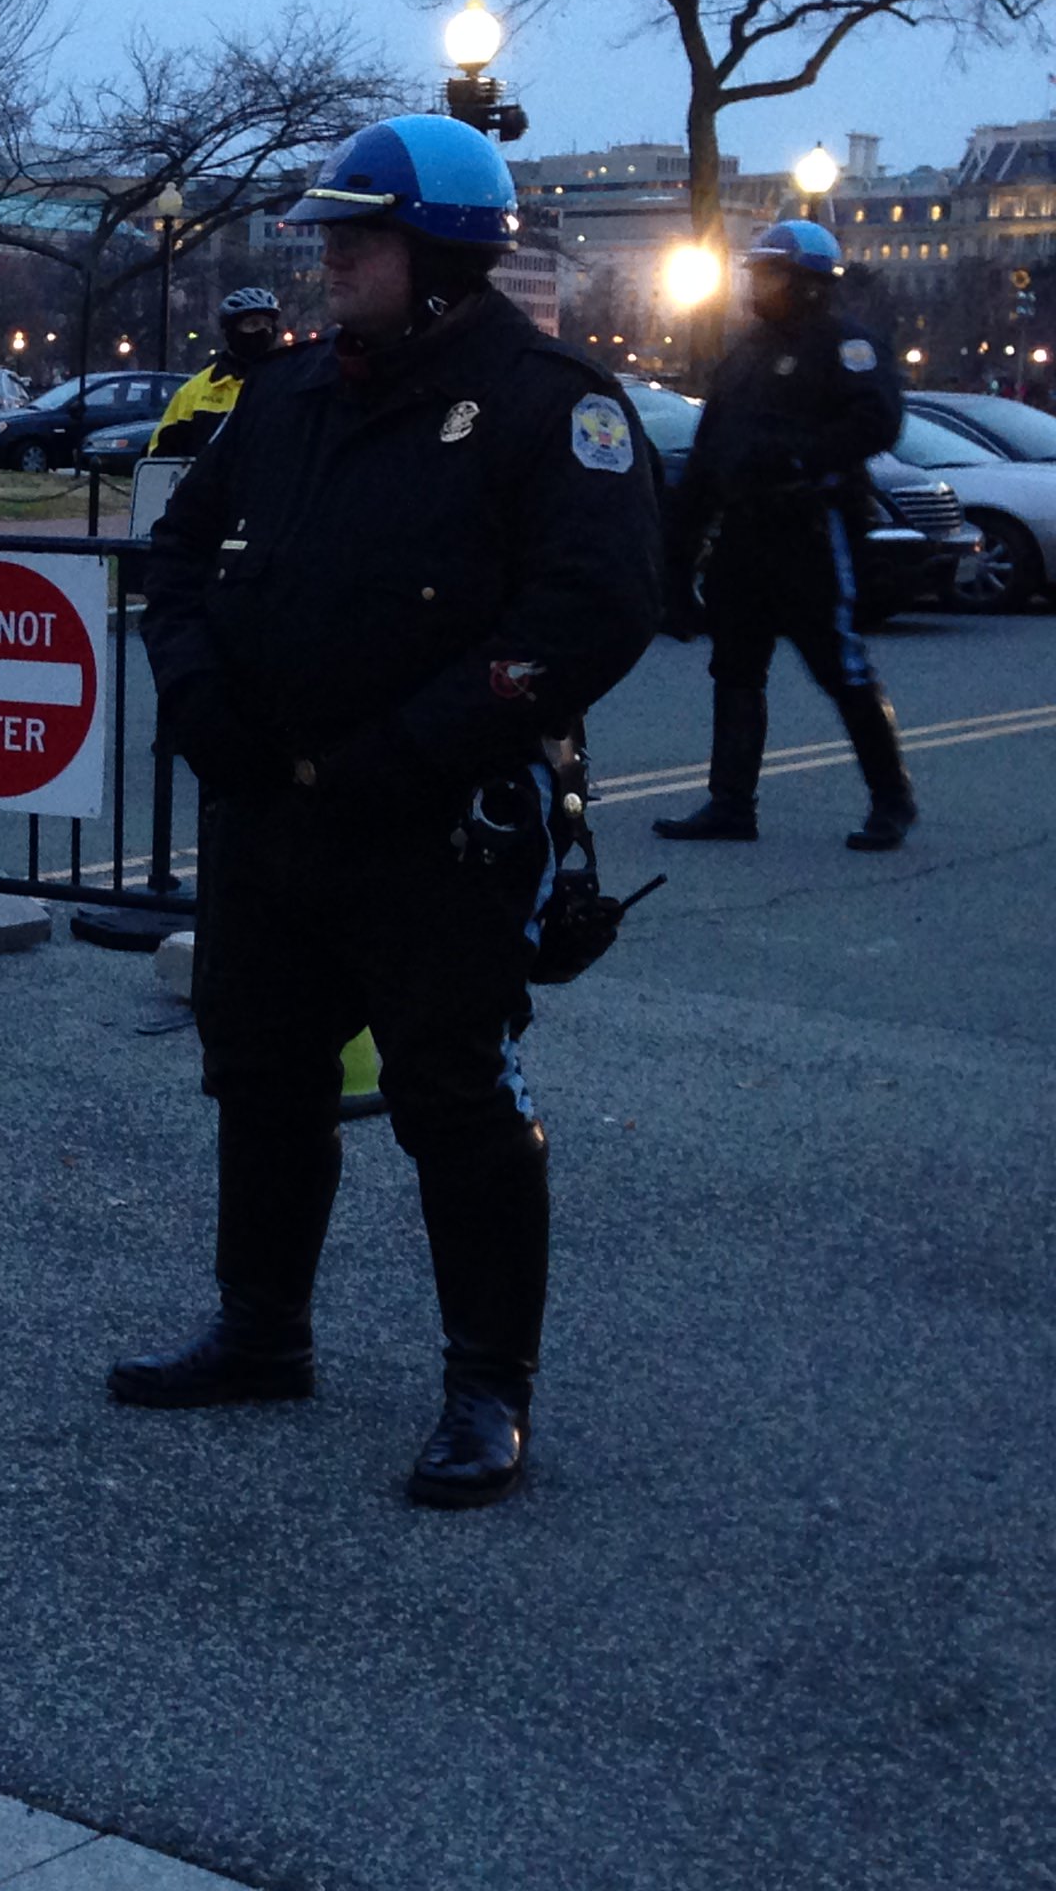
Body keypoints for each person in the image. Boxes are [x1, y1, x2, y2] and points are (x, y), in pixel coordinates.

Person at [125, 113, 664, 1509]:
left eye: (354, 238)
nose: (326, 261)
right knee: (259, 1070)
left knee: (452, 1095)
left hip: (433, 822)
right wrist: (199, 704)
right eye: (326, 237)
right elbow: (173, 560)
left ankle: (488, 1388)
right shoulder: (287, 397)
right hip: (269, 807)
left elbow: (591, 612)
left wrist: (408, 748)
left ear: (438, 254)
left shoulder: (552, 403)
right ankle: (262, 1333)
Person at [651, 218, 916, 852]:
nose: (756, 283)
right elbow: (713, 451)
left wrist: (797, 457)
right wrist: (676, 558)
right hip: (745, 533)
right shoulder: (745, 353)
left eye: (770, 273)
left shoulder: (846, 344)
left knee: (842, 667)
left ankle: (891, 800)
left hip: (812, 528)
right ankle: (730, 803)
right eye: (756, 271)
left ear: (809, 283)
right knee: (735, 668)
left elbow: (877, 421)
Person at [147, 287, 284, 457]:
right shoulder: (193, 392)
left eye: (268, 325)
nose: (263, 332)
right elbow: (159, 457)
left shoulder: (288, 383)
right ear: (231, 331)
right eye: (253, 324)